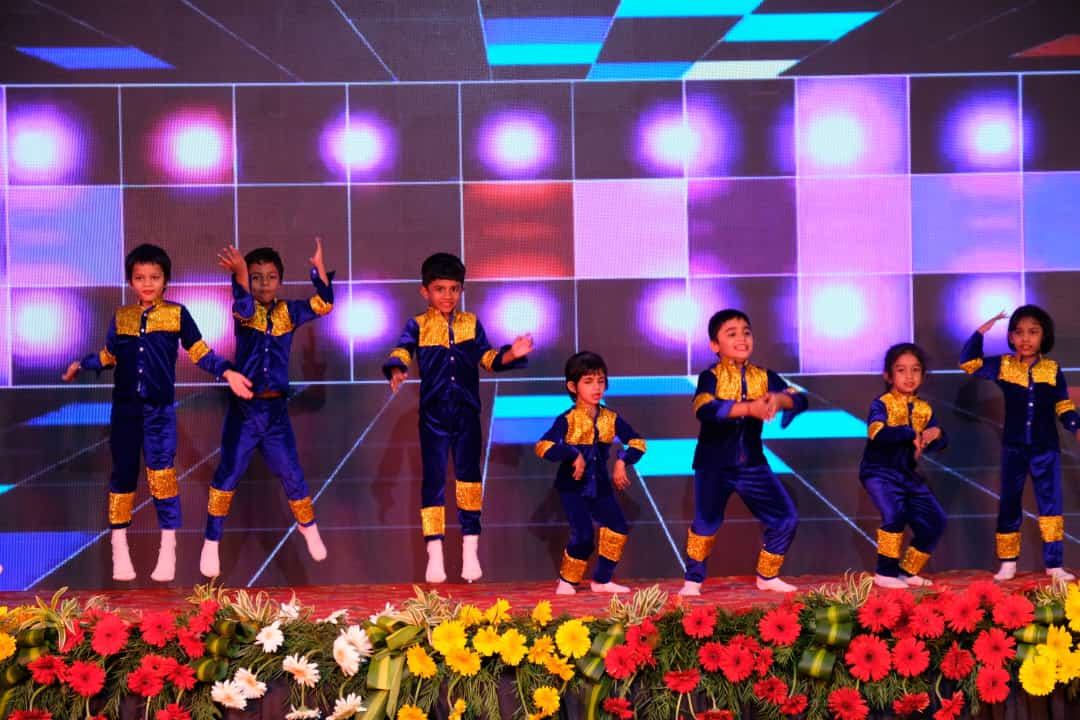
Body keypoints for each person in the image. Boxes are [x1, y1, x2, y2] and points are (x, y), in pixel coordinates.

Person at [62, 243, 251, 582]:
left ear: (166, 280)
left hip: (159, 412)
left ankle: (168, 548)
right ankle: (119, 549)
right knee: (122, 476)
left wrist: (227, 371)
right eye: (140, 277)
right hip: (124, 412)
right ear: (130, 281)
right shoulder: (122, 317)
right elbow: (109, 355)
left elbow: (200, 351)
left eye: (154, 277)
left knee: (162, 476)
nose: (147, 283)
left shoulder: (177, 314)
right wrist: (83, 364)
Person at [382, 252, 532, 583]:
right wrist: (397, 368)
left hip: (466, 413)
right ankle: (434, 552)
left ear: (461, 289)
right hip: (433, 415)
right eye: (439, 289)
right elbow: (402, 349)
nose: (447, 296)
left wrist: (511, 354)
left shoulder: (471, 323)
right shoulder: (418, 325)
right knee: (434, 480)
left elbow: (488, 358)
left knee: (469, 479)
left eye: (454, 289)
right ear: (425, 291)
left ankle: (470, 549)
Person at [199, 239, 334, 578]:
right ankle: (211, 541)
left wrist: (318, 270)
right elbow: (245, 306)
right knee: (227, 475)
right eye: (256, 277)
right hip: (244, 411)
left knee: (292, 474)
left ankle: (308, 527)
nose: (263, 284)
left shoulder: (289, 312)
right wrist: (240, 275)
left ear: (281, 281)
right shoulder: (243, 312)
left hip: (276, 413)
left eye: (270, 277)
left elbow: (324, 304)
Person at [680, 309, 808, 595]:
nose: (741, 338)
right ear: (715, 345)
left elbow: (800, 400)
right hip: (713, 464)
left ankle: (768, 576)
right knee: (706, 523)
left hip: (752, 464)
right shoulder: (710, 377)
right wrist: (749, 408)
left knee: (785, 518)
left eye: (746, 332)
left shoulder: (765, 376)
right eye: (732, 333)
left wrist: (780, 400)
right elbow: (705, 408)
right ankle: (693, 580)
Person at [960, 305, 1080, 582]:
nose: (1025, 338)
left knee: (1050, 506)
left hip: (1046, 448)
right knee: (1009, 504)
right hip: (1013, 448)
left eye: (1033, 332)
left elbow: (1063, 405)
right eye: (1019, 332)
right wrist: (980, 332)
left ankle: (1054, 564)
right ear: (1011, 337)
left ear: (1043, 336)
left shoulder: (1052, 369)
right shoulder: (1003, 366)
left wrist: (1075, 425)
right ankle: (1008, 562)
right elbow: (969, 363)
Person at [535, 351, 647, 595]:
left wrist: (622, 462)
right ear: (572, 386)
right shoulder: (567, 420)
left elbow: (638, 442)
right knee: (584, 534)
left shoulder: (611, 418)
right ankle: (567, 581)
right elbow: (543, 446)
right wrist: (572, 453)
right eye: (588, 381)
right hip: (572, 487)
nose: (596, 387)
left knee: (617, 528)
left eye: (600, 381)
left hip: (601, 485)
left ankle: (602, 580)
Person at [860, 343, 947, 589]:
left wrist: (936, 434)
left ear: (923, 375)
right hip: (878, 472)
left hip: (908, 475)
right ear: (888, 376)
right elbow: (876, 432)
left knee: (935, 520)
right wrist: (910, 432)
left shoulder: (924, 408)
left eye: (915, 370)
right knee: (894, 514)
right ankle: (885, 572)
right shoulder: (881, 404)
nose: (909, 376)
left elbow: (940, 443)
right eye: (901, 370)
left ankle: (908, 571)